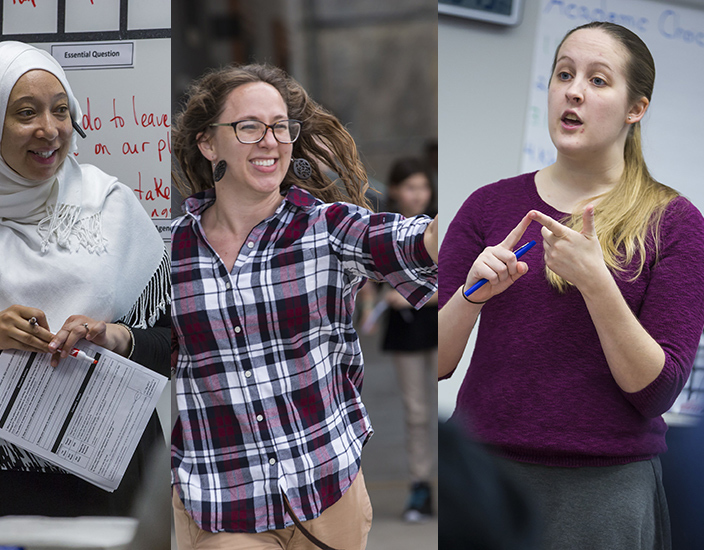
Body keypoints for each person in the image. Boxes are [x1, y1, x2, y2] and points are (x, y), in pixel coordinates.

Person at [438, 22, 704, 550]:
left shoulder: (675, 222)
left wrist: (596, 284)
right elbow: (437, 362)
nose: (573, 90)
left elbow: (657, 392)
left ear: (637, 109)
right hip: (483, 479)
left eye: (599, 80)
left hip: (605, 492)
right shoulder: (487, 206)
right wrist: (471, 296)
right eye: (564, 74)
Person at [169, 63, 438, 549]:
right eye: (249, 127)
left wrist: (457, 227)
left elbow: (407, 240)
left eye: (279, 126)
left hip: (327, 490)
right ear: (209, 143)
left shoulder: (327, 227)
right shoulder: (170, 250)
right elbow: (147, 338)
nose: (269, 141)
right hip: (223, 500)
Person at [0, 41, 174, 520]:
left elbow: (176, 343)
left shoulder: (110, 208)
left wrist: (113, 336)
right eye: (25, 112)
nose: (49, 130)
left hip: (107, 484)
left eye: (61, 110)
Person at [361, 157, 437, 522]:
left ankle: (459, 483)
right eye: (410, 187)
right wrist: (371, 307)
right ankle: (420, 485)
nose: (418, 195)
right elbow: (368, 279)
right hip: (406, 331)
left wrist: (414, 294)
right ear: (394, 191)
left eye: (423, 186)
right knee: (417, 412)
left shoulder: (442, 222)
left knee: (447, 410)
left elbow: (463, 282)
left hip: (443, 325)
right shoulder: (382, 227)